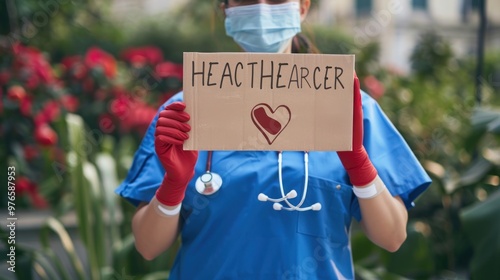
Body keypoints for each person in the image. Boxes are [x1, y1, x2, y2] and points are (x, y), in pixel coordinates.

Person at [115, 0, 431, 279]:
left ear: (303, 7)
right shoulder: (184, 113)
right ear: (226, 9)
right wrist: (172, 185)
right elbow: (147, 246)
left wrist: (359, 164)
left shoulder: (351, 110)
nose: (263, 9)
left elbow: (392, 237)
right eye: (247, 0)